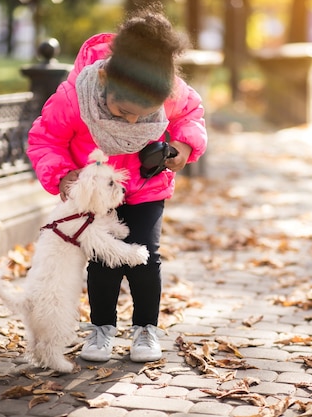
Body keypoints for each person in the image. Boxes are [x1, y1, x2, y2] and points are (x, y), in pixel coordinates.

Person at [26, 3, 207, 363]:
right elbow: (44, 139)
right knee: (102, 262)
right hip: (97, 196)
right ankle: (101, 329)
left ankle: (145, 328)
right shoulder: (75, 96)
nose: (131, 121)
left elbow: (191, 114)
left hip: (146, 187)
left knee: (146, 257)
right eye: (123, 112)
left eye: (143, 116)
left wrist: (184, 145)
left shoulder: (169, 90)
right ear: (106, 81)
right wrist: (63, 174)